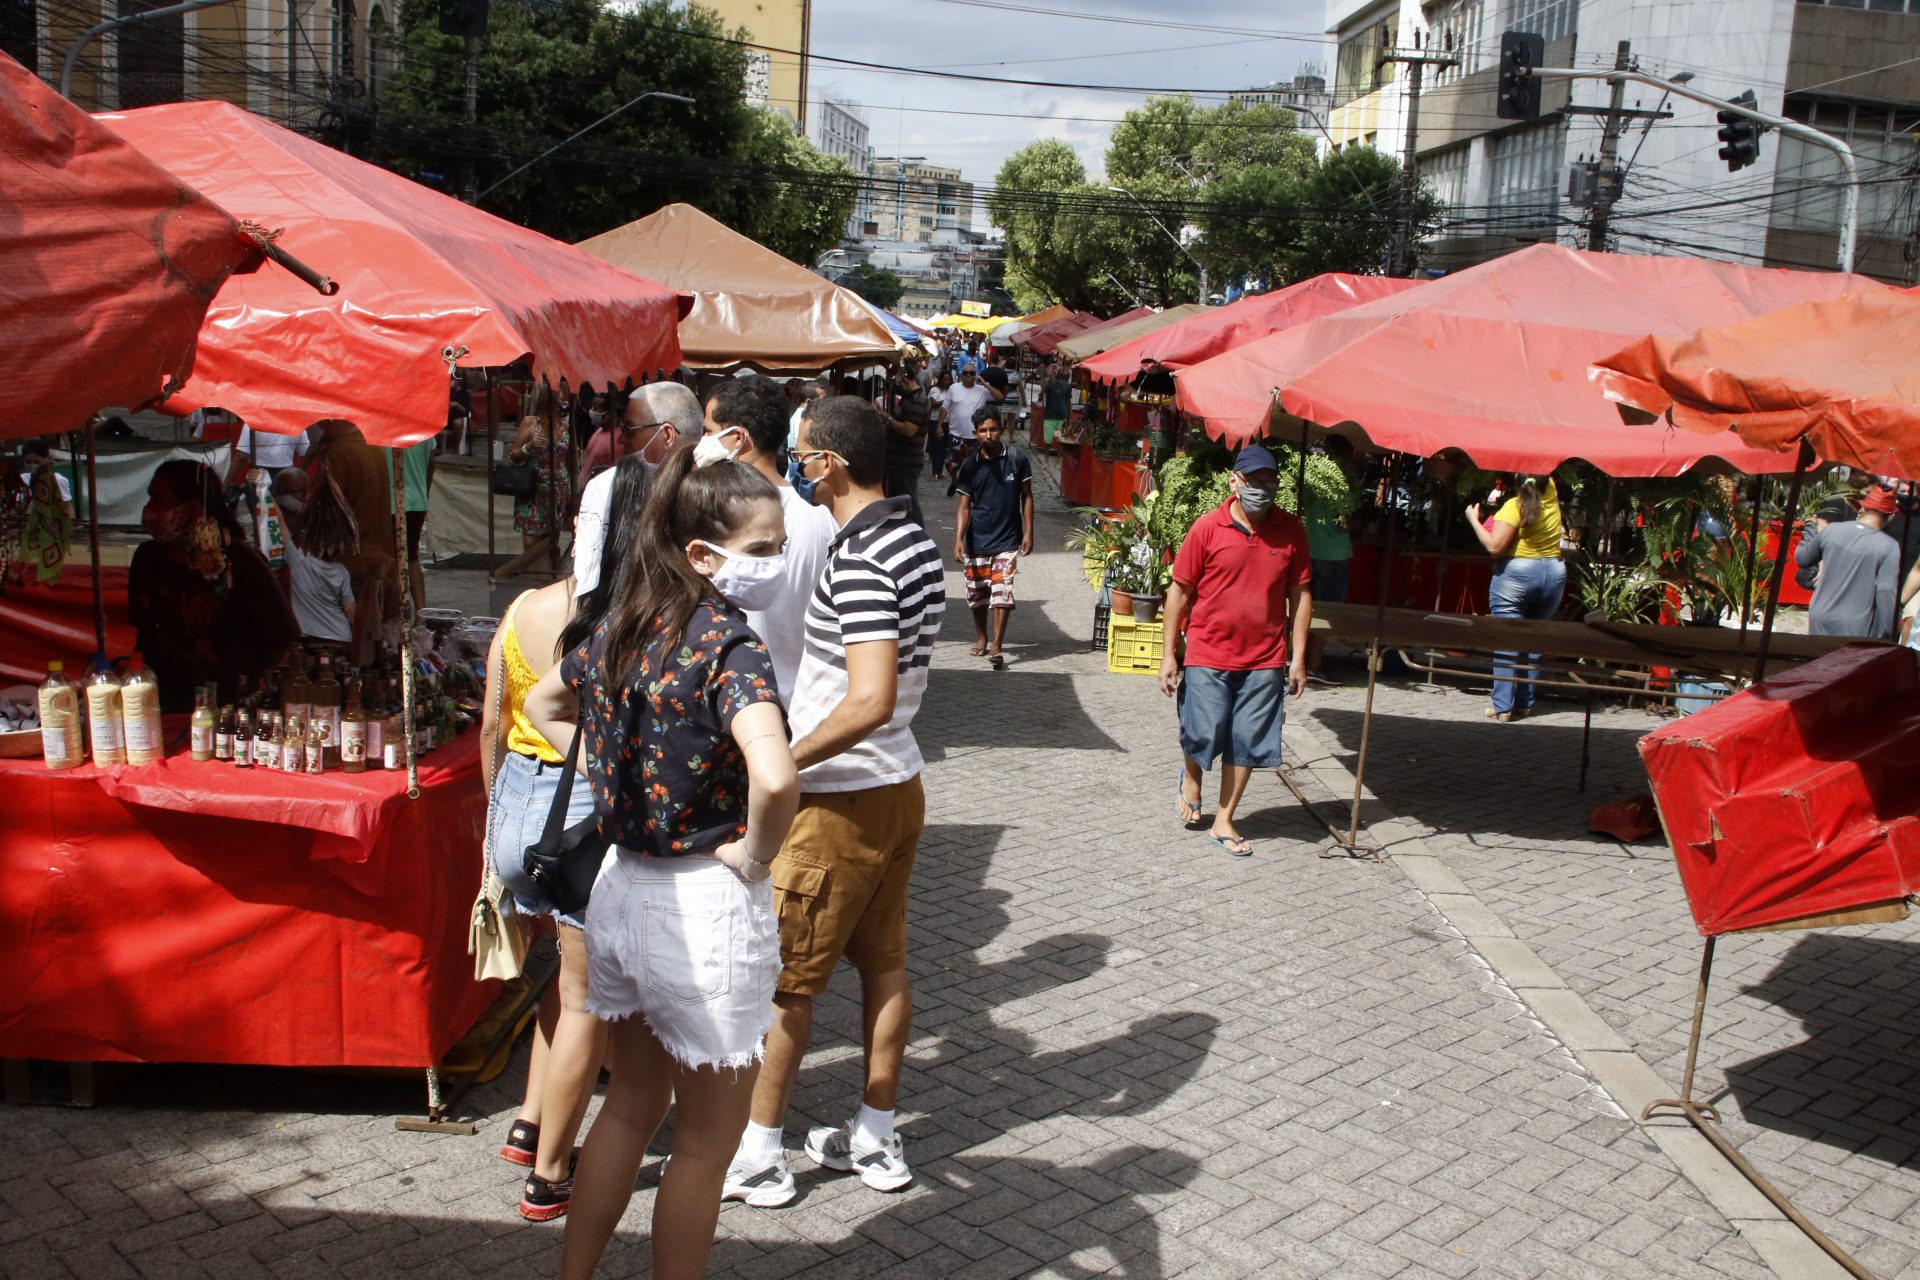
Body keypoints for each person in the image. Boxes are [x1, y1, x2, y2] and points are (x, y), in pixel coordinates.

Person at [524, 445, 798, 1280]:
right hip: (702, 909)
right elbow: (777, 772)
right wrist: (757, 852)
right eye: (763, 549)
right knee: (707, 1147)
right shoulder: (729, 647)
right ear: (702, 554)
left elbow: (542, 699)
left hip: (621, 894)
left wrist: (609, 769)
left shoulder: (623, 623)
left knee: (629, 1110)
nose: (777, 565)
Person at [729, 396, 946, 1208]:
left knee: (790, 985)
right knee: (884, 965)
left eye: (801, 452)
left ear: (831, 463)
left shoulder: (861, 559)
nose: (795, 463)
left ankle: (759, 1152)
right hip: (895, 789)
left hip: (840, 800)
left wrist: (781, 755)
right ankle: (874, 1134)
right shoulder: (909, 538)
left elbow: (870, 698)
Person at [484, 457, 649, 1223]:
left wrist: (497, 831)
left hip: (519, 807)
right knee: (587, 1002)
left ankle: (528, 1123)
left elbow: (492, 722)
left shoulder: (524, 609)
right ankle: (550, 1173)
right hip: (578, 820)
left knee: (560, 981)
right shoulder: (631, 624)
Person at [1159, 446, 1313, 858]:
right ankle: (1192, 777)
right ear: (1235, 481)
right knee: (1203, 730)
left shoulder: (1291, 530)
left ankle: (1225, 820)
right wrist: (1169, 653)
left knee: (1247, 740)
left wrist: (1298, 657)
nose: (1261, 489)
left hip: (1264, 658)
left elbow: (1300, 594)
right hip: (1209, 651)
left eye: (1269, 481)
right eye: (1253, 480)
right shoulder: (1207, 528)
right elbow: (1179, 592)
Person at [701, 374, 838, 702]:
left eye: (707, 432)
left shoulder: (715, 517)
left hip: (741, 703)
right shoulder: (824, 518)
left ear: (737, 438)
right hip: (804, 704)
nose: (700, 441)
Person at [128, 460, 299, 710]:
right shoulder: (148, 558)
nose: (148, 510)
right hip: (162, 703)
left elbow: (283, 633)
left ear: (193, 508)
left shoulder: (241, 560)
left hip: (226, 709)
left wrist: (251, 684)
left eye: (158, 499)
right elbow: (143, 633)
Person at [573, 381, 702, 598]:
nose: (622, 438)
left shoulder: (716, 490)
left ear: (667, 435)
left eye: (629, 429)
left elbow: (584, 581)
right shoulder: (606, 487)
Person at [1465, 473, 1566, 722]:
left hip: (1517, 575)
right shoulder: (1552, 495)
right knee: (1532, 641)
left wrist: (1474, 520)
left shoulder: (1514, 506)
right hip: (1553, 573)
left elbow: (1494, 547)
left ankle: (1502, 708)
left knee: (1507, 640)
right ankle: (1523, 704)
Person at [952, 405, 1034, 669]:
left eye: (993, 429)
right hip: (977, 539)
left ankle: (997, 645)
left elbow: (1027, 496)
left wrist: (1029, 531)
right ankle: (982, 636)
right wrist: (958, 538)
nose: (988, 435)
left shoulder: (1017, 459)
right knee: (977, 595)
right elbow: (964, 506)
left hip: (1008, 540)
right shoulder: (969, 467)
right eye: (983, 431)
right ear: (975, 434)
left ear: (1001, 428)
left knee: (1002, 591)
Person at [1797, 486, 1900, 639]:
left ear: (1862, 508)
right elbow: (1886, 590)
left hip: (1819, 613)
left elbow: (1802, 558)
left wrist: (1809, 532)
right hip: (1855, 622)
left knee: (1819, 660)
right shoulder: (1889, 546)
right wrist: (1886, 631)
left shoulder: (1832, 530)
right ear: (1890, 516)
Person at [1302, 435, 1358, 682]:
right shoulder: (1343, 483)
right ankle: (1314, 664)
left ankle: (1298, 660)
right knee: (1326, 613)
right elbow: (1346, 522)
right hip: (1333, 554)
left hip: (1309, 550)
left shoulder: (1310, 479)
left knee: (1304, 608)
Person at [283, 473, 357, 648]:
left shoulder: (298, 558)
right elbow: (350, 609)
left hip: (308, 639)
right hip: (341, 637)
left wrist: (263, 491)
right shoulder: (341, 572)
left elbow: (280, 525)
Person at [881, 361, 931, 526]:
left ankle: (918, 533)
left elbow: (909, 430)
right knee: (899, 500)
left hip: (906, 461)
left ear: (907, 379)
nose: (898, 384)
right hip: (898, 460)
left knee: (908, 501)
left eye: (899, 380)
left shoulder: (918, 400)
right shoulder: (910, 398)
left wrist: (887, 418)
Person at [941, 363, 1000, 483]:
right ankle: (955, 480)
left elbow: (999, 397)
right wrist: (939, 425)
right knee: (950, 464)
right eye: (965, 373)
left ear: (976, 375)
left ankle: (969, 489)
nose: (968, 375)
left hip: (974, 436)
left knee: (973, 465)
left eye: (971, 373)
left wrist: (984, 384)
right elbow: (945, 407)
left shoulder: (982, 390)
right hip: (955, 433)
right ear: (961, 375)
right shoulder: (954, 388)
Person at [398, 432, 435, 608]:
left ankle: (397, 613)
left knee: (395, 556)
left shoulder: (385, 429)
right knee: (411, 555)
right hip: (417, 500)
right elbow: (431, 463)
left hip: (394, 501)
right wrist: (424, 493)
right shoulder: (424, 429)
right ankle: (421, 612)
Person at [926, 370, 954, 479]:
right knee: (938, 446)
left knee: (945, 447)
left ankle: (940, 470)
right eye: (944, 379)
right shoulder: (935, 390)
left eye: (948, 380)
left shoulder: (951, 391)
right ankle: (935, 471)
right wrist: (946, 400)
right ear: (940, 379)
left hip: (948, 422)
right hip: (936, 421)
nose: (946, 382)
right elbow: (934, 404)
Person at [1041, 364, 1072, 454]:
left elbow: (1068, 402)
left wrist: (1069, 414)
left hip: (1061, 416)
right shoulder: (1050, 383)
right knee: (1047, 440)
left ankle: (1058, 460)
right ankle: (1046, 460)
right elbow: (1043, 391)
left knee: (1060, 438)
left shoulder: (1067, 386)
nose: (1058, 373)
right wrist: (1050, 378)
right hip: (1050, 415)